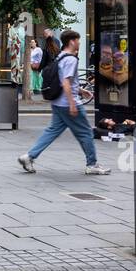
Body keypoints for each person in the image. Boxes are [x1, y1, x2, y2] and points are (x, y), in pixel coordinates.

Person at [18, 29, 109, 176]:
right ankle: (92, 164)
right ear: (72, 42)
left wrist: (81, 91)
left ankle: (29, 157)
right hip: (68, 104)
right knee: (86, 133)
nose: (79, 43)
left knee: (52, 131)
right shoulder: (71, 59)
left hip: (58, 102)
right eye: (78, 40)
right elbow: (66, 82)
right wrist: (73, 103)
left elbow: (65, 81)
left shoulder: (60, 57)